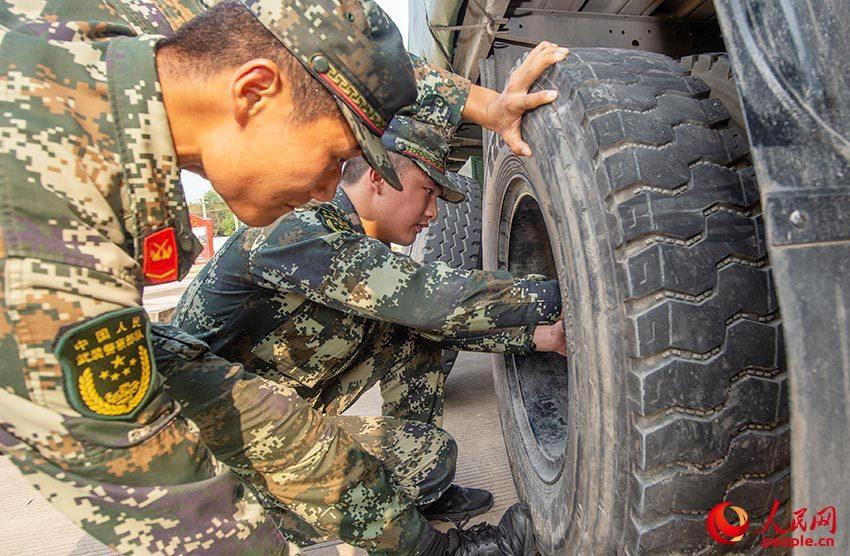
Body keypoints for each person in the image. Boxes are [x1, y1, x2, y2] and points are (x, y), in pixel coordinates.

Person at [0, 0, 567, 553]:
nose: (328, 187)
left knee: (358, 443)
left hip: (224, 372)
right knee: (313, 471)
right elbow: (142, 466)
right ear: (253, 93)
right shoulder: (45, 220)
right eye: (330, 159)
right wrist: (577, 297)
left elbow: (325, 52)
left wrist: (487, 104)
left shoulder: (178, 43)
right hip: (165, 392)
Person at [171, 111, 567, 531]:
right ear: (378, 178)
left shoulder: (348, 240)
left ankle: (419, 494)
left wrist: (538, 337)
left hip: (269, 417)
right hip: (208, 455)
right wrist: (565, 294)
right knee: (429, 457)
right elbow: (430, 297)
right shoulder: (298, 230)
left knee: (410, 336)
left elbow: (430, 322)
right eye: (427, 192)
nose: (433, 213)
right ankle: (258, 516)